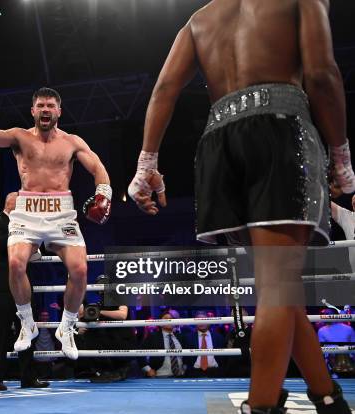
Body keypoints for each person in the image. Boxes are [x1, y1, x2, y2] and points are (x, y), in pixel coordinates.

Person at [127, 1, 353, 413]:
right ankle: (260, 405)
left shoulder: (199, 19)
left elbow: (163, 90)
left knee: (279, 288)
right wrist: (341, 156)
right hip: (278, 131)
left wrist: (146, 166)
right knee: (280, 286)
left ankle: (327, 396)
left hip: (218, 145)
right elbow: (322, 75)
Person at [0, 87, 112, 360]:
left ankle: (67, 326)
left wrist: (103, 195)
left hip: (62, 210)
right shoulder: (19, 137)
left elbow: (98, 168)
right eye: (40, 105)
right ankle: (27, 322)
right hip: (27, 209)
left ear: (59, 110)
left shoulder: (72, 142)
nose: (45, 110)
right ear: (33, 110)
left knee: (80, 269)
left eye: (50, 105)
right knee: (15, 263)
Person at [0, 192, 49, 391]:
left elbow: (39, 248)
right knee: (1, 331)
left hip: (23, 284)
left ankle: (28, 377)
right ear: (11, 204)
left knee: (27, 328)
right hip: (3, 285)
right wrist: (22, 235)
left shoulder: (26, 224)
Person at [138, 309, 186, 378]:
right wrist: (148, 370)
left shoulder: (180, 337)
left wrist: (185, 367)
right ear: (160, 323)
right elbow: (139, 353)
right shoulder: (153, 337)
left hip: (180, 376)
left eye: (171, 319)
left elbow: (187, 355)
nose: (169, 321)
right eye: (166, 319)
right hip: (160, 376)